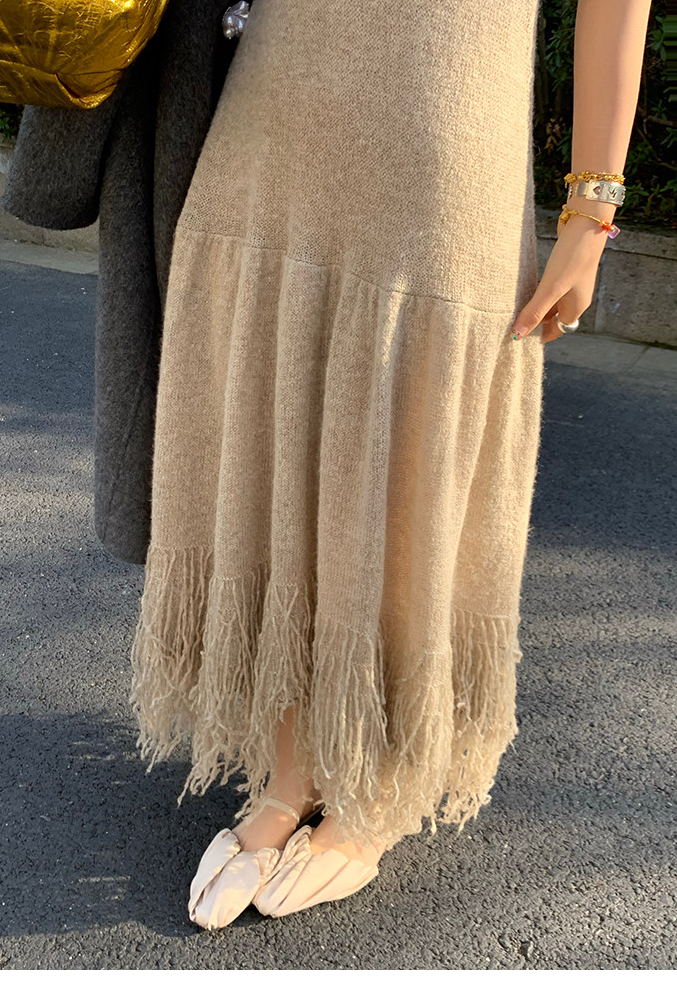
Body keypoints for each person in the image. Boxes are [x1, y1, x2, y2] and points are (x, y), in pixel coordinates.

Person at [128, 0, 653, 929]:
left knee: (409, 453)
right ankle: (290, 767)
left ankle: (379, 776)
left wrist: (592, 208)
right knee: (277, 428)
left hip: (445, 130)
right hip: (276, 109)